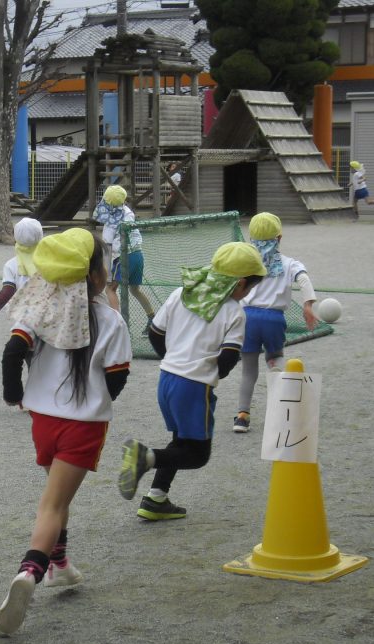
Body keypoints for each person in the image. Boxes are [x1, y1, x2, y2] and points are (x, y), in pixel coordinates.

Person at [0, 228, 131, 635]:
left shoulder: (39, 310)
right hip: (82, 425)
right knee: (52, 505)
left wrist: (14, 393)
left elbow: (12, 350)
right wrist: (95, 398)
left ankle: (61, 565)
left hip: (43, 422)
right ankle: (29, 572)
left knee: (56, 496)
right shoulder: (110, 319)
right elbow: (117, 379)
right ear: (92, 274)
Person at [118, 242, 267, 520]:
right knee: (197, 455)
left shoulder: (179, 293)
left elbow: (155, 333)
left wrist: (173, 359)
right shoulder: (234, 311)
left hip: (167, 379)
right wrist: (209, 373)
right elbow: (228, 359)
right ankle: (145, 457)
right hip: (195, 385)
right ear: (240, 284)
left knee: (181, 439)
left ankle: (156, 498)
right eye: (250, 288)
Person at [233, 213, 317, 435]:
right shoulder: (290, 264)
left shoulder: (245, 264)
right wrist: (308, 305)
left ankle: (242, 416)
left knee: (248, 370)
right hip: (274, 319)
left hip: (248, 318)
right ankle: (282, 413)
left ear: (250, 238)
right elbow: (304, 280)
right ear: (279, 238)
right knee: (275, 358)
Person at [0, 217, 43, 321]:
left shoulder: (11, 265)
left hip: (24, 315)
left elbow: (7, 292)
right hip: (48, 311)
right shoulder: (49, 260)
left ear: (15, 238)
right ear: (41, 235)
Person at [91, 184, 132, 310]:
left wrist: (107, 273)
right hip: (133, 252)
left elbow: (107, 244)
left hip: (118, 256)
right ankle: (150, 314)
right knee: (134, 288)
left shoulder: (112, 219)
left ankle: (117, 317)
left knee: (110, 289)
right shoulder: (128, 212)